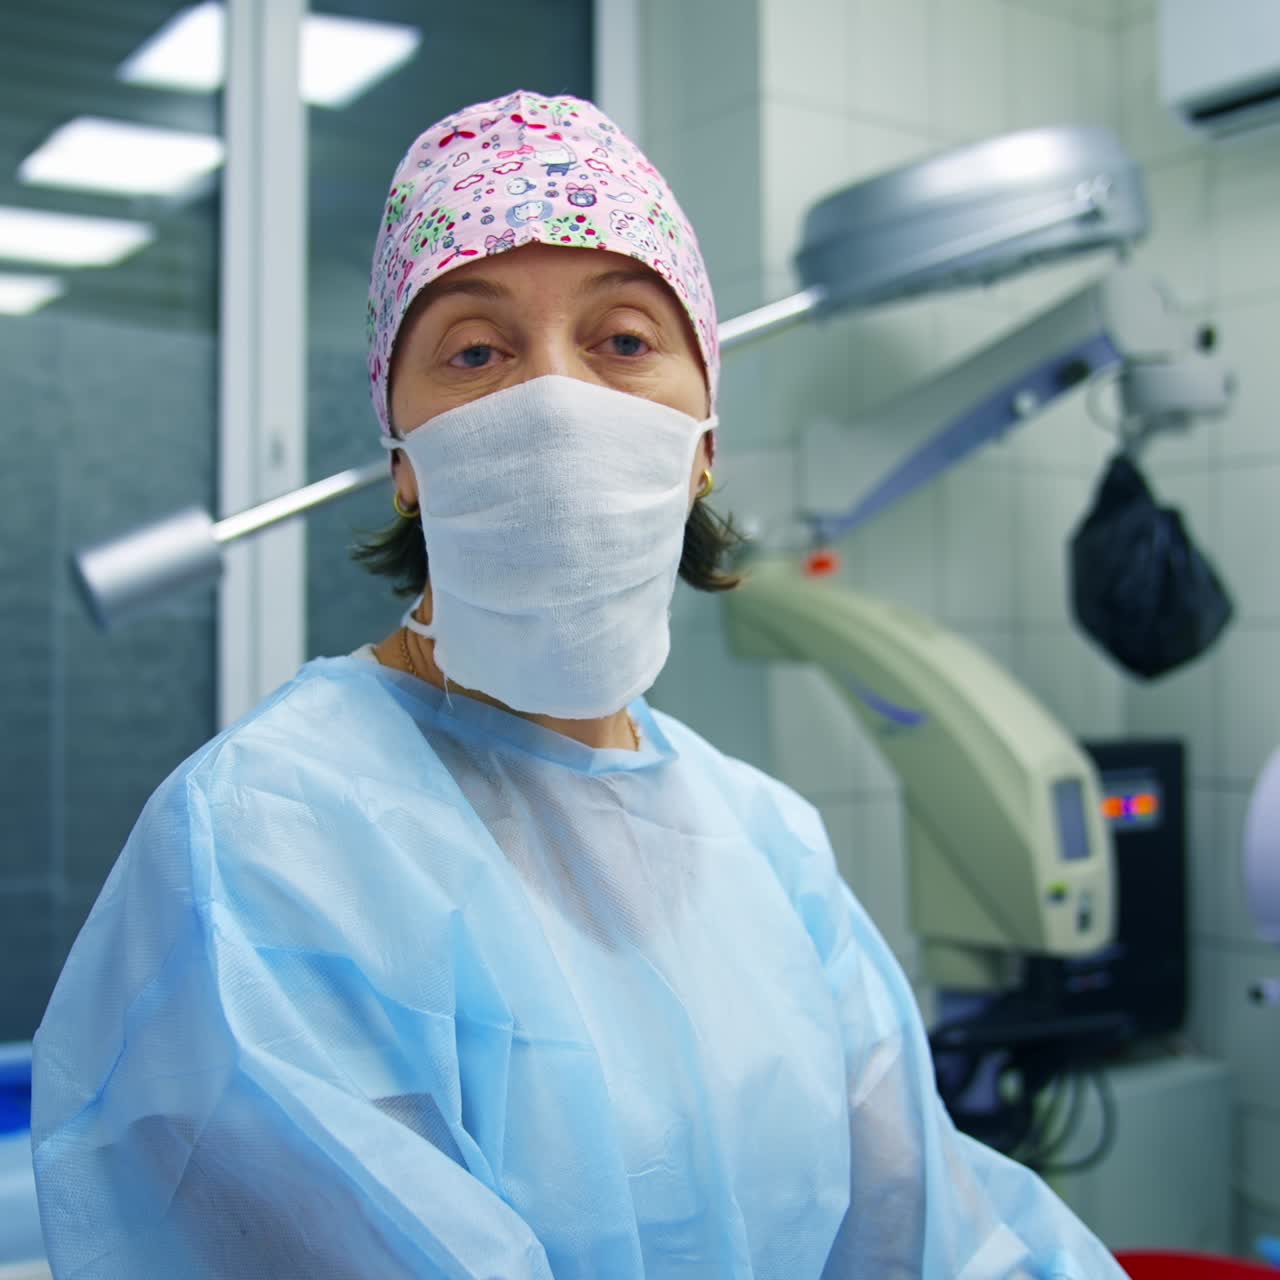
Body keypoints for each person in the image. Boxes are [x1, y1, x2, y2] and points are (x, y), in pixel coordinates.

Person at [31, 91, 1127, 1278]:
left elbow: (931, 1236)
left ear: (703, 438)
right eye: (474, 350)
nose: (554, 403)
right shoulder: (266, 840)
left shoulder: (767, 847)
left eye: (621, 340)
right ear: (401, 457)